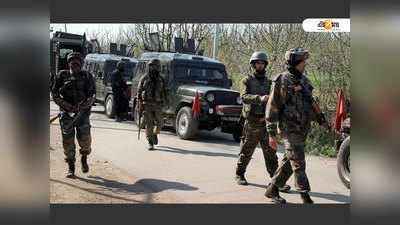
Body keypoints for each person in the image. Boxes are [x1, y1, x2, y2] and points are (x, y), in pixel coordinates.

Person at [264, 48, 331, 204]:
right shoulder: (282, 80)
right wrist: (271, 133)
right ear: (294, 63)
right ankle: (305, 195)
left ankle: (272, 190)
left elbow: (311, 107)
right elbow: (272, 107)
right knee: (299, 163)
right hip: (289, 129)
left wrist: (322, 122)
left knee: (290, 162)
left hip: (302, 129)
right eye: (302, 62)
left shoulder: (305, 82)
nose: (305, 64)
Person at [234, 51, 290, 193]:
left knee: (271, 153)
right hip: (252, 121)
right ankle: (239, 174)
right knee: (246, 150)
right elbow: (244, 96)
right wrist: (260, 98)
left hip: (265, 122)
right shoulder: (246, 80)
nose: (260, 66)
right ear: (253, 65)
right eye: (258, 63)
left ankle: (276, 181)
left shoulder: (268, 82)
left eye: (262, 64)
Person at [51, 52, 96, 178]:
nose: (74, 64)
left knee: (85, 141)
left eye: (77, 62)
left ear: (81, 64)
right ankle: (71, 167)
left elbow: (92, 95)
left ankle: (84, 158)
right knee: (68, 142)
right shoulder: (61, 75)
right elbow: (54, 94)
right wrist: (67, 106)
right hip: (66, 115)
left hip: (82, 114)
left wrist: (83, 106)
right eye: (72, 61)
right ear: (69, 63)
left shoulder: (87, 76)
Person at [136, 58, 168, 150]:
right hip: (147, 104)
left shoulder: (162, 79)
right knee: (149, 124)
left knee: (160, 123)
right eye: (152, 66)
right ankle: (150, 142)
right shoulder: (144, 78)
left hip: (158, 104)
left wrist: (167, 102)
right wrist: (139, 100)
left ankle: (155, 134)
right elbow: (139, 90)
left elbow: (166, 91)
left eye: (155, 67)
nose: (153, 68)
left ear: (158, 68)